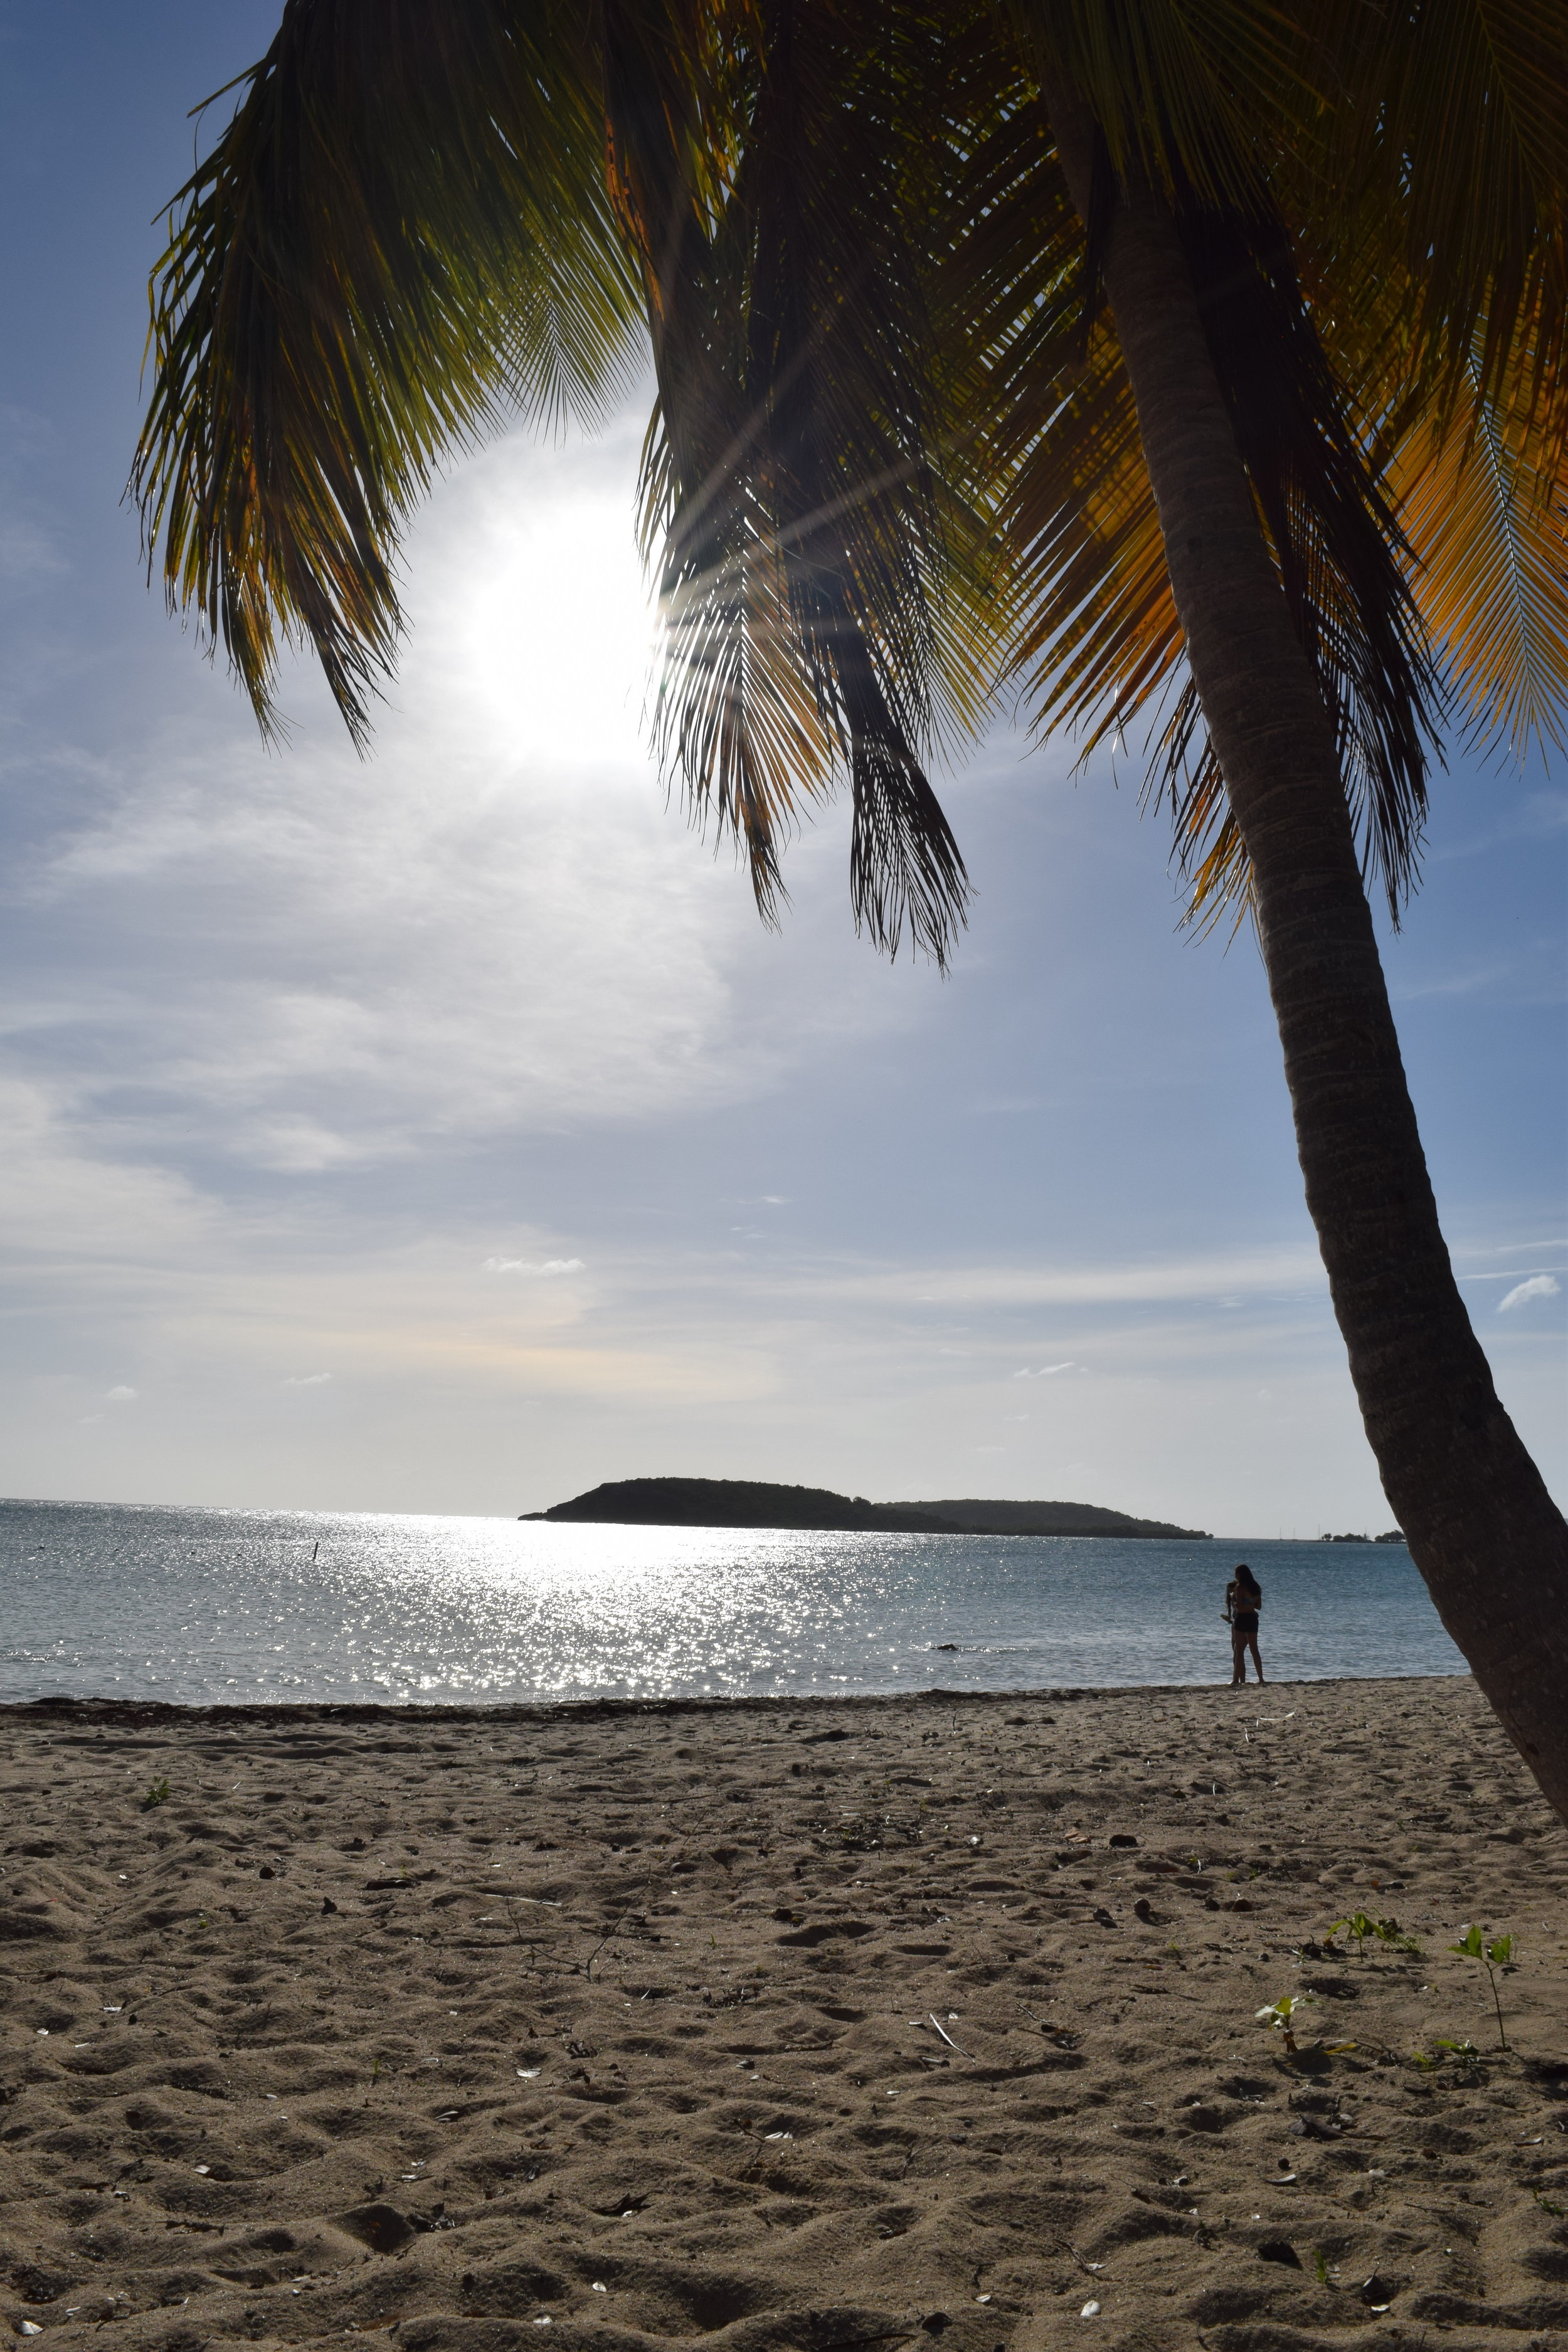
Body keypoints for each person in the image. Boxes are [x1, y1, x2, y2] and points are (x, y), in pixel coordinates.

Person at [1224, 1564, 1264, 1685]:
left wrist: (1233, 1598)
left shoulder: (1240, 1588)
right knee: (1254, 1649)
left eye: (1236, 1573)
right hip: (1252, 1617)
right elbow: (1259, 1606)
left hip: (1242, 1618)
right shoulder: (1255, 1587)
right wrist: (1250, 1602)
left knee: (1239, 1650)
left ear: (1240, 1575)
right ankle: (1261, 1679)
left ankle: (1236, 1680)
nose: (1235, 1576)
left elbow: (1239, 1606)